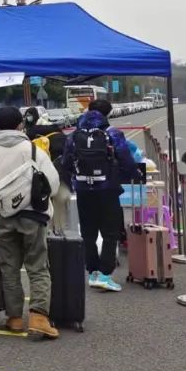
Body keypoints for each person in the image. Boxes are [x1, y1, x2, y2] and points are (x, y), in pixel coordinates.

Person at [0, 106, 61, 339]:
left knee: (9, 269)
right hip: (34, 217)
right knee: (38, 267)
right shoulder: (33, 149)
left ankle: (14, 319)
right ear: (20, 124)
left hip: (3, 218)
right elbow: (52, 184)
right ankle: (39, 317)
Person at [62, 99, 136, 292]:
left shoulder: (74, 135)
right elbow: (127, 161)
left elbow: (66, 162)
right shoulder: (112, 134)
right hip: (108, 189)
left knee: (88, 232)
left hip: (84, 190)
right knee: (110, 233)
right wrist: (125, 175)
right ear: (107, 114)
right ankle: (105, 274)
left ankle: (93, 271)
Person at [24, 107, 72, 231]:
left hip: (42, 174)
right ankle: (60, 230)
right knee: (60, 201)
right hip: (60, 173)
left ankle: (51, 231)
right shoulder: (55, 131)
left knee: (49, 204)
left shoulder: (31, 133)